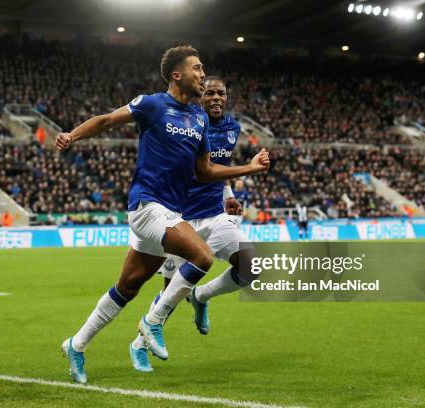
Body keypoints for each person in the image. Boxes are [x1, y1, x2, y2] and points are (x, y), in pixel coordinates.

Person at [55, 45, 270, 383]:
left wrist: (247, 169)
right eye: (197, 69)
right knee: (201, 256)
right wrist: (72, 135)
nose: (202, 74)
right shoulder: (152, 104)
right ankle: (153, 322)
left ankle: (76, 345)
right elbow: (107, 120)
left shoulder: (199, 118)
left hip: (168, 211)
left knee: (128, 286)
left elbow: (204, 171)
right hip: (146, 204)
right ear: (177, 75)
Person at [128, 75, 259, 372]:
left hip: (214, 216)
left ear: (226, 97)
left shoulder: (231, 128)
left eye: (221, 93)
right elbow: (196, 170)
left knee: (251, 266)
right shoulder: (188, 124)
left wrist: (229, 193)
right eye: (210, 92)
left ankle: (201, 296)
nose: (215, 98)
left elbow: (218, 167)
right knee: (169, 295)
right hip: (179, 219)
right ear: (201, 97)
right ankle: (138, 344)